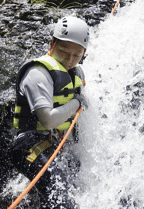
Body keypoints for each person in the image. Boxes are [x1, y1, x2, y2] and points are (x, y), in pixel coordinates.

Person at [10, 15, 89, 195]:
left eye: (76, 55)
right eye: (63, 52)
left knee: (74, 192)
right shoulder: (37, 73)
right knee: (59, 192)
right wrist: (77, 102)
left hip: (58, 145)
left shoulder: (77, 73)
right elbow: (47, 120)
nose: (69, 60)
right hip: (29, 144)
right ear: (51, 43)